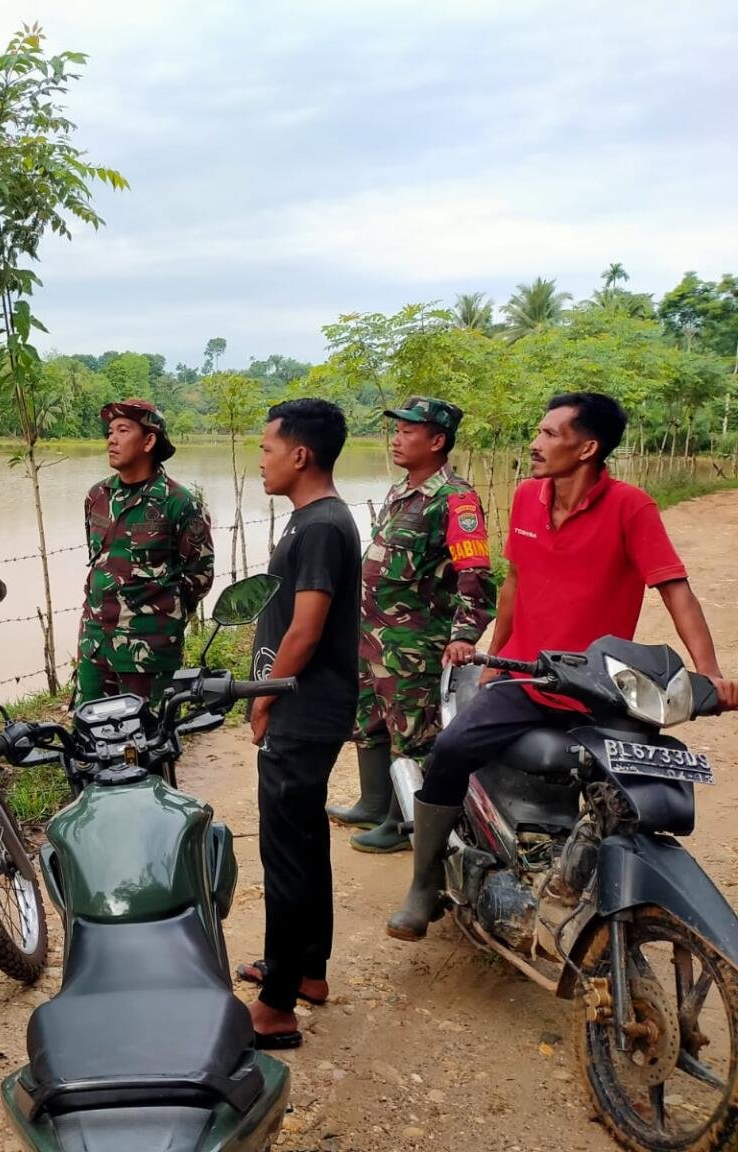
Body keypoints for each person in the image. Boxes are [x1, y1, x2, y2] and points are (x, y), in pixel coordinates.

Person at [388, 391, 738, 941]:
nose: (536, 443)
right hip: (527, 676)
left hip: (600, 686)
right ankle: (424, 882)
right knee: (450, 749)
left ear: (587, 448)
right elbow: (516, 581)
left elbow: (675, 589)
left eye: (550, 434)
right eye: (540, 431)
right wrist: (496, 654)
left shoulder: (631, 507)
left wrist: (709, 673)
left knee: (627, 789)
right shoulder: (527, 497)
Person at [234, 398, 361, 1048]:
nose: (261, 460)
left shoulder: (320, 526)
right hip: (313, 706)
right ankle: (307, 969)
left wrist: (264, 698)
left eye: (267, 448)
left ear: (300, 454)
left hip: (303, 707)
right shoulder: (317, 520)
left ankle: (276, 1006)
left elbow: (306, 631)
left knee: (285, 851)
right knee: (305, 841)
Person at [333, 397, 496, 853]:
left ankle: (403, 824)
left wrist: (464, 635)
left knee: (412, 735)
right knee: (370, 722)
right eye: (397, 430)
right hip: (374, 637)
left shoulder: (456, 499)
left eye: (408, 432)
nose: (397, 439)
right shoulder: (402, 490)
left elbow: (475, 573)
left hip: (414, 643)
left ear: (437, 440)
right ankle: (373, 802)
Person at [76, 398, 214, 708]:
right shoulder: (97, 497)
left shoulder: (180, 504)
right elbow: (99, 563)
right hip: (95, 644)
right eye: (110, 431)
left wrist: (159, 619)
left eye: (123, 430)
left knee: (147, 733)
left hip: (148, 652)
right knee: (90, 728)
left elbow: (199, 578)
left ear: (149, 441)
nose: (111, 439)